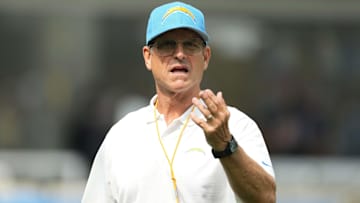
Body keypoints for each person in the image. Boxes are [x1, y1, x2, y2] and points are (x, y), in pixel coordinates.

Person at [81, 1, 276, 203]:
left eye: (190, 45)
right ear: (148, 57)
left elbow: (266, 198)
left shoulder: (236, 125)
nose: (180, 54)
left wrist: (225, 146)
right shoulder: (122, 135)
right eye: (167, 45)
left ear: (206, 57)